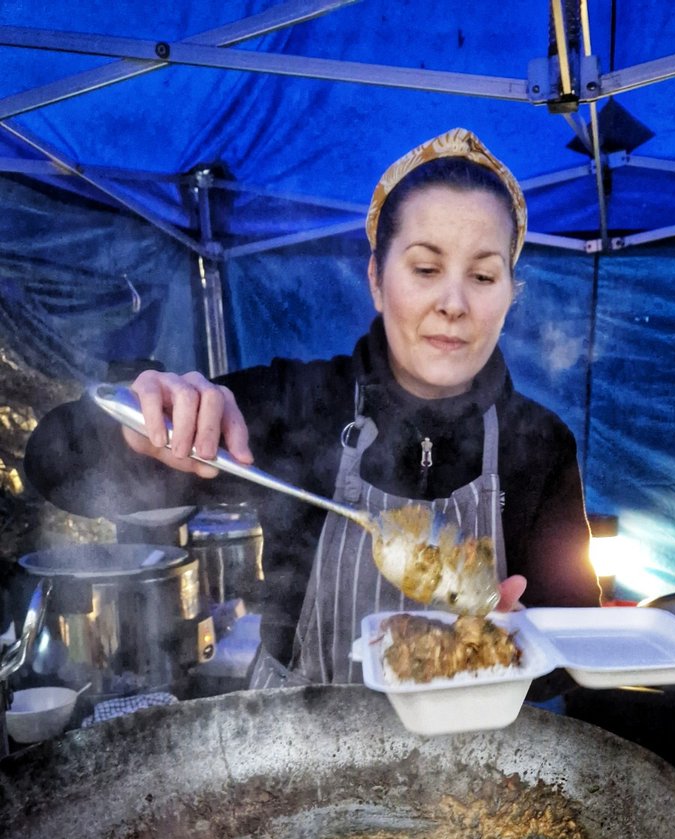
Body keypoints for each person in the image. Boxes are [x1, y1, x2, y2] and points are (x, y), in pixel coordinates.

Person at [24, 128, 600, 686]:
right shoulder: (294, 404)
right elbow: (54, 468)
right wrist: (133, 427)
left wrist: (530, 646)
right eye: (425, 268)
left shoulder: (541, 443)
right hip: (299, 758)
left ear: (509, 294)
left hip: (474, 759)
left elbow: (579, 650)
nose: (453, 303)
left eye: (482, 274)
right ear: (376, 280)